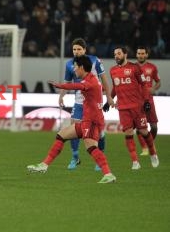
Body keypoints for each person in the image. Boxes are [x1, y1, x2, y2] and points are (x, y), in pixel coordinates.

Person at [27, 55, 117, 183]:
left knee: (91, 148)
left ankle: (108, 174)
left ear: (81, 67)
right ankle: (44, 165)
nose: (74, 70)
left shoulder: (89, 82)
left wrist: (60, 85)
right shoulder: (93, 79)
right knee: (61, 135)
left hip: (92, 122)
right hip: (88, 120)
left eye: (75, 67)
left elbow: (77, 86)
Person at [58, 38, 114, 171]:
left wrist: (109, 97)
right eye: (74, 49)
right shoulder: (69, 64)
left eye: (79, 49)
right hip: (78, 101)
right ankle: (75, 157)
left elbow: (104, 80)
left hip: (94, 102)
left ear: (84, 50)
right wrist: (61, 96)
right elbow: (67, 82)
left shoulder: (95, 60)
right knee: (74, 128)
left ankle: (99, 159)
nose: (76, 52)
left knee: (98, 133)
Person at [109, 47, 159, 169]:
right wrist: (109, 99)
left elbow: (143, 85)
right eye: (115, 54)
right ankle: (135, 162)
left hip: (137, 107)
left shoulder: (135, 68)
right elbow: (116, 87)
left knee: (144, 131)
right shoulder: (113, 70)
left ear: (125, 54)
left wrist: (146, 101)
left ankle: (153, 154)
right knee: (128, 133)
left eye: (119, 54)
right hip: (123, 108)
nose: (116, 56)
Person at [135, 46, 160, 155]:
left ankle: (150, 143)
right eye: (139, 53)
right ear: (136, 55)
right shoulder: (132, 68)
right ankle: (145, 148)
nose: (141, 55)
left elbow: (158, 82)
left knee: (154, 127)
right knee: (139, 127)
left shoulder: (152, 67)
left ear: (146, 55)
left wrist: (153, 89)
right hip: (136, 101)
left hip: (149, 100)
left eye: (142, 53)